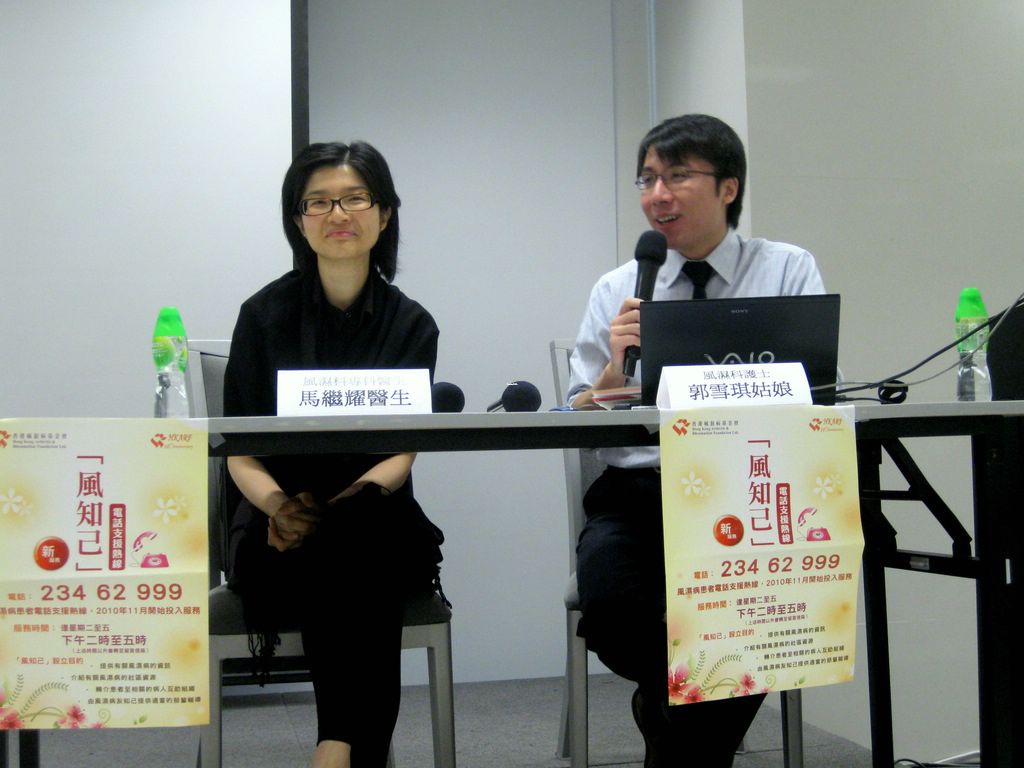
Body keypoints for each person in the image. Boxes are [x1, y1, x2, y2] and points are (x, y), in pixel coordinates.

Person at [566, 114, 825, 768]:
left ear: (728, 187)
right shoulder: (617, 288)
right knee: (614, 609)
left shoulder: (786, 269)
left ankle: (668, 721)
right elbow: (576, 412)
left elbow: (816, 391)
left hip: (753, 494)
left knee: (761, 614)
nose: (658, 194)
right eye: (647, 179)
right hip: (639, 494)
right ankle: (671, 707)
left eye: (677, 176)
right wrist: (613, 371)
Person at [223, 141, 444, 768]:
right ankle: (345, 749)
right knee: (345, 552)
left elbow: (403, 449)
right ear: (298, 221)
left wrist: (348, 504)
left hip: (372, 510)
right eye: (317, 202)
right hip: (274, 526)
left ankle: (335, 746)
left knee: (351, 536)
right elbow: (239, 451)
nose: (337, 214)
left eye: (354, 198)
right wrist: (278, 506)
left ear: (385, 212)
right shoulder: (262, 316)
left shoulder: (412, 324)